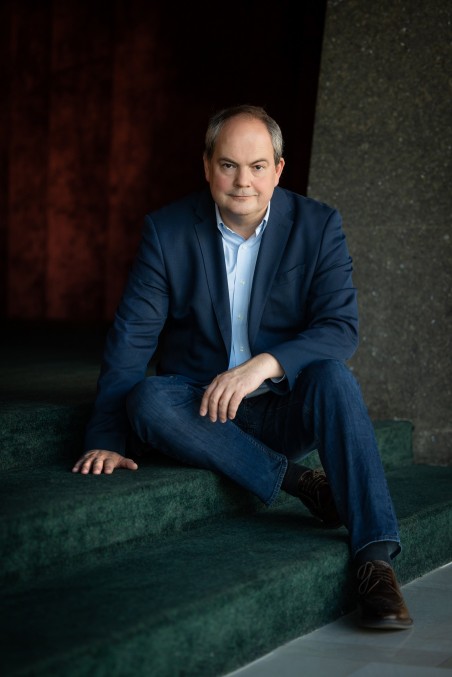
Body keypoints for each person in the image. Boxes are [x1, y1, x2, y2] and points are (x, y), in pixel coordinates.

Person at [72, 104, 413, 630]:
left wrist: (262, 366)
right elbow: (132, 338)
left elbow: (339, 328)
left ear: (278, 169)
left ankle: (375, 563)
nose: (242, 182)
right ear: (207, 166)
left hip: (282, 406)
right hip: (202, 414)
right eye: (228, 165)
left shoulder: (318, 225)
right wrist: (106, 438)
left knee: (332, 376)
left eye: (257, 167)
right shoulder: (167, 231)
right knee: (148, 400)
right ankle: (302, 483)